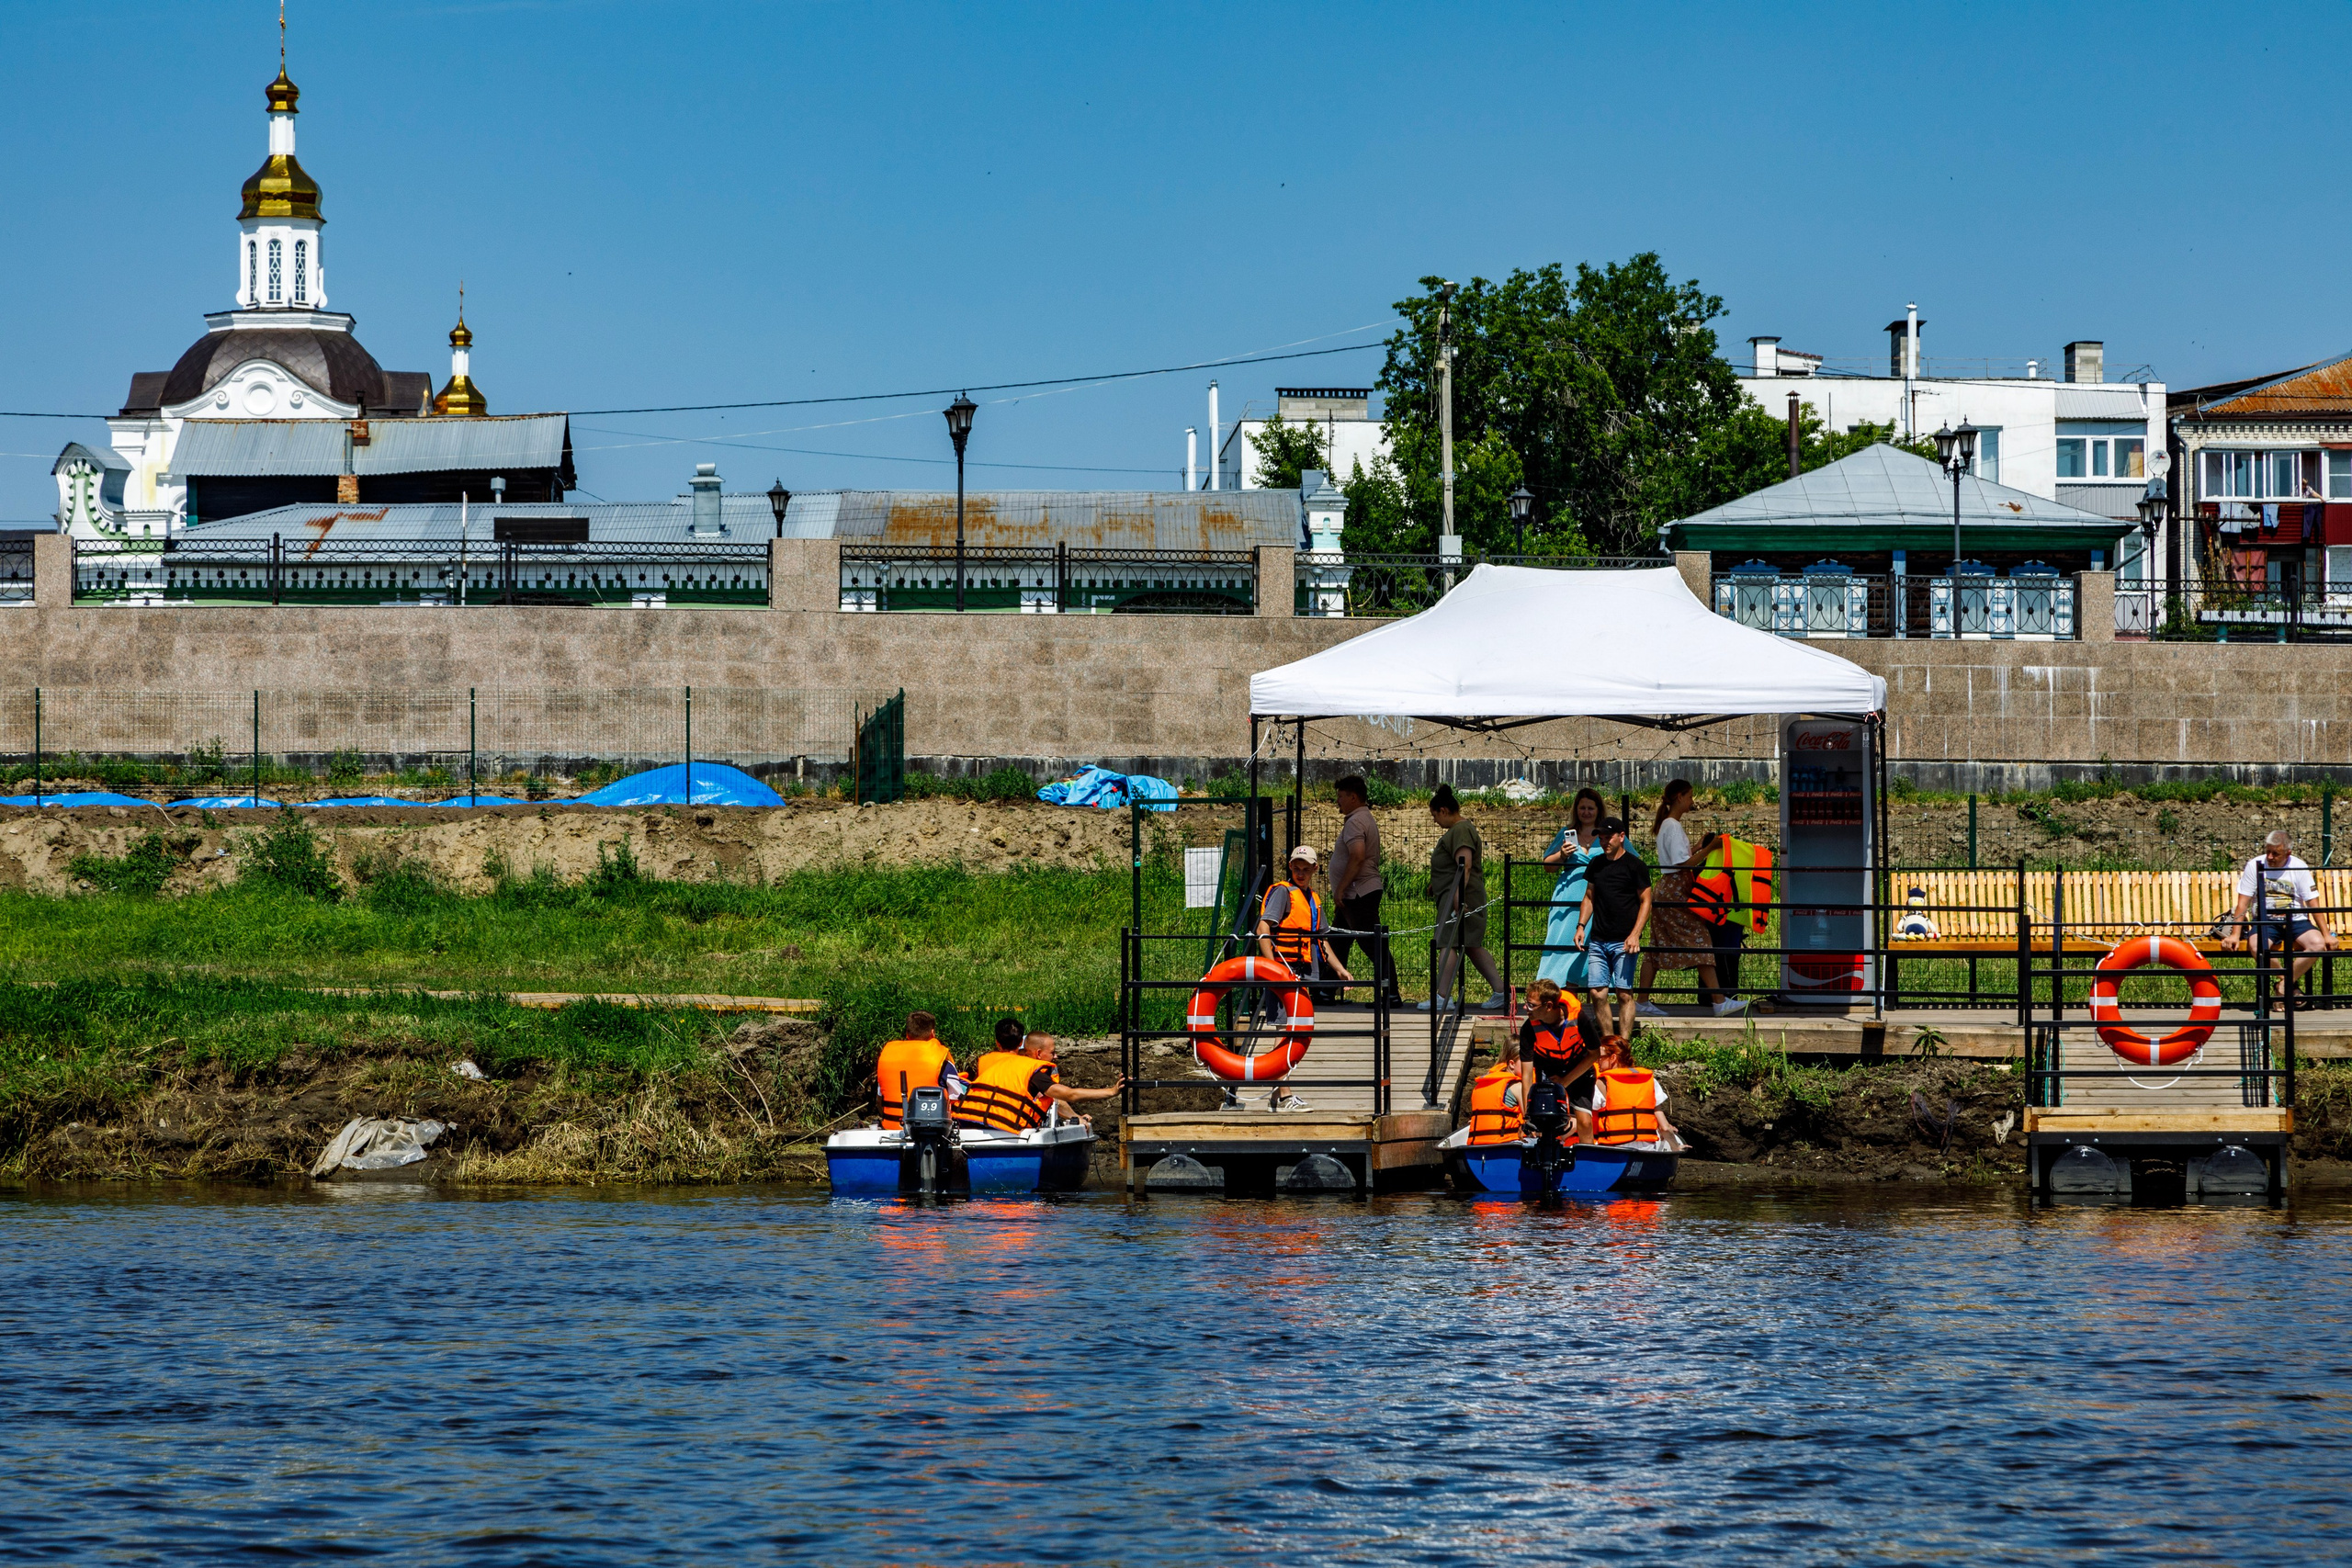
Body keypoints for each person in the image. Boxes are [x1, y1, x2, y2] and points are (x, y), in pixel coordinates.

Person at [1256, 846, 1352, 1112]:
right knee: (1284, 1030)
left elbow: (1321, 940)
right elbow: (1263, 928)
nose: (1300, 873)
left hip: (1303, 971)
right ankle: (1285, 1096)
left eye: (1305, 869)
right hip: (1284, 971)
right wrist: (1274, 969)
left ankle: (1276, 1096)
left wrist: (1340, 969)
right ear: (1290, 867)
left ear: (1314, 869)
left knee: (1295, 1030)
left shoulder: (1313, 899)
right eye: (1296, 868)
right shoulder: (1283, 893)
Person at [1634, 779, 1740, 1018]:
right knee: (1701, 940)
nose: (1692, 801)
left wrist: (1697, 847)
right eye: (1690, 796)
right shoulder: (1672, 825)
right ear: (1679, 797)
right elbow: (1682, 865)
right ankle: (1718, 1001)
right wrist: (1710, 848)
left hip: (1667, 888)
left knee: (1655, 947)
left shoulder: (1667, 824)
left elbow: (1678, 858)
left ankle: (1642, 1000)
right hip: (1676, 890)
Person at [1423, 784, 1507, 1012]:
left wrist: (1457, 898)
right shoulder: (1460, 830)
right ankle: (1501, 992)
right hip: (1457, 895)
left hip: (1461, 898)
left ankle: (1442, 997)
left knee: (1447, 942)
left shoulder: (1460, 830)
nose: (1434, 821)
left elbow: (1464, 865)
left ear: (1443, 810)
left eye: (1434, 815)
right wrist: (1436, 884)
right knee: (1470, 945)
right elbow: (1454, 867)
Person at [2224, 829, 2338, 984]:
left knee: (2317, 944)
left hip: (2296, 920)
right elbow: (2243, 903)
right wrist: (2235, 935)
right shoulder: (2254, 865)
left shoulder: (2299, 866)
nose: (2270, 857)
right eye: (2268, 852)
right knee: (2257, 947)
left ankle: (2283, 986)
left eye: (2275, 854)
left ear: (2288, 853)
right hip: (2265, 921)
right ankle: (2286, 983)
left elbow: (2312, 902)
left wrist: (2326, 934)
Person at [1327, 775, 1402, 1008]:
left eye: (1340, 796)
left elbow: (1357, 856)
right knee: (1337, 941)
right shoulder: (1362, 818)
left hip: (1357, 894)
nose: (1337, 801)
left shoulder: (1355, 822)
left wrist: (1341, 888)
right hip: (1356, 894)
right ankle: (1325, 991)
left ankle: (1390, 993)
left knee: (1371, 944)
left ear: (1353, 797)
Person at [1576, 818, 1653, 1039]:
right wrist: (1581, 926)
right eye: (1601, 838)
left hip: (1624, 941)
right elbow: (1589, 896)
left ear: (1621, 837)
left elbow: (1646, 900)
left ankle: (1623, 1045)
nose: (1604, 842)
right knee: (1597, 993)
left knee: (1624, 994)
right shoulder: (1596, 864)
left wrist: (1635, 934)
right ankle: (1609, 1041)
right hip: (1598, 939)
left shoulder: (1635, 865)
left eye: (1608, 837)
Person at [959, 1029, 1124, 1131]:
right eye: (1052, 1052)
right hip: (1005, 1129)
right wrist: (1111, 1091)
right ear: (1038, 1054)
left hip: (970, 1123)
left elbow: (1055, 1101)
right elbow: (1068, 1095)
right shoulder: (1033, 1071)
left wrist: (1076, 1116)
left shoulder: (998, 1063)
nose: (1056, 1056)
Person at [1537, 788, 1608, 992]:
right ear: (1576, 810)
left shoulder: (1608, 834)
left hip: (1599, 898)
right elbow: (1548, 866)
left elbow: (1631, 860)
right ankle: (1560, 994)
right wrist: (1562, 855)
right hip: (1568, 898)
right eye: (1582, 808)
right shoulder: (1566, 833)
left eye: (1590, 808)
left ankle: (1593, 998)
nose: (1586, 812)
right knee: (1562, 942)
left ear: (1598, 810)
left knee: (1592, 948)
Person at [1519, 977, 1600, 1142]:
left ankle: (1587, 1154)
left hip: (1579, 1071)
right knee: (1542, 1120)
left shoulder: (1579, 1019)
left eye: (1531, 1005)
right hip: (1548, 1073)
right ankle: (1545, 1152)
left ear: (1548, 1006)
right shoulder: (1528, 1029)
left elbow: (1595, 1053)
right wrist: (1528, 1114)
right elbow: (1526, 1074)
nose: (1525, 1008)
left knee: (1584, 1122)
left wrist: (1565, 1081)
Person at [875, 1010, 963, 1131]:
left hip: (892, 1129)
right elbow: (957, 1099)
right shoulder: (942, 1061)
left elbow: (879, 1100)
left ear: (907, 1034)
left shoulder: (887, 1057)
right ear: (933, 1033)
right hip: (931, 1131)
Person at [1588, 1034, 1679, 1148]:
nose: (1596, 1061)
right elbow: (1665, 1127)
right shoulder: (1650, 1080)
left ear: (1613, 1058)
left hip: (1614, 1149)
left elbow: (1585, 1119)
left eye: (1600, 1057)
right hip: (1647, 1149)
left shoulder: (1602, 1083)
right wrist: (1676, 1147)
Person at [1466, 1032, 1526, 1145]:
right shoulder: (1518, 1086)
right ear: (1512, 1064)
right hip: (1504, 1144)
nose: (1530, 1066)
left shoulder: (1482, 1083)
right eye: (1526, 1062)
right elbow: (1530, 1119)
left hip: (1476, 1145)